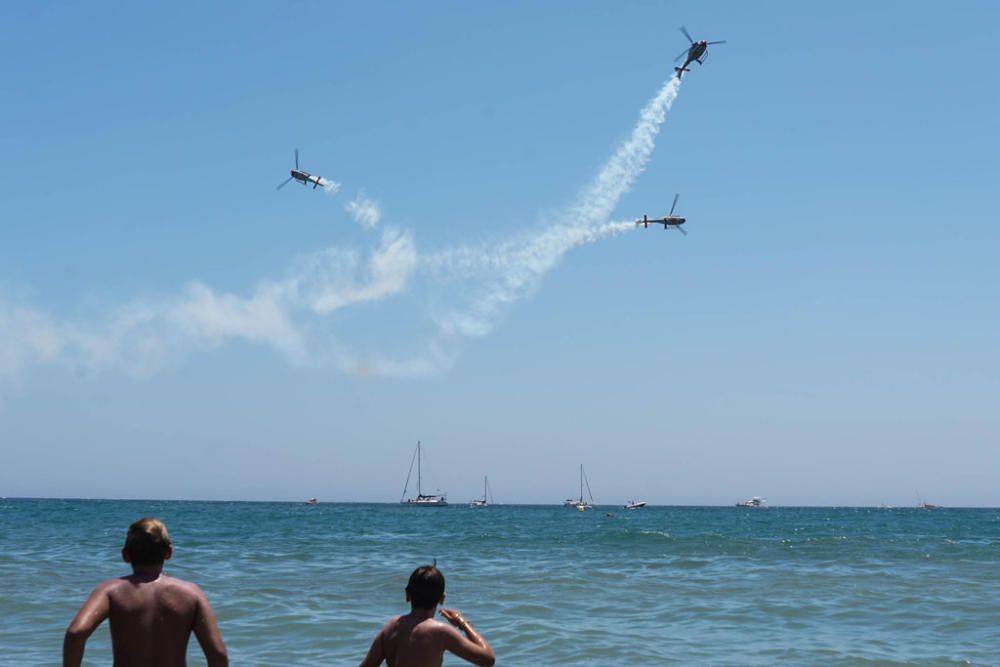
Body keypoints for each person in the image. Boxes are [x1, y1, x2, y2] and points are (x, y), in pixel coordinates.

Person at [63, 517, 228, 667]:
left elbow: (76, 633)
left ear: (125, 555)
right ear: (168, 552)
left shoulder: (110, 591)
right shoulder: (191, 593)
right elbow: (218, 655)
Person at [359, 564, 495, 667]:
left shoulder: (390, 627)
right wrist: (462, 623)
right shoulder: (441, 631)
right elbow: (488, 659)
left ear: (407, 595)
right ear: (442, 599)